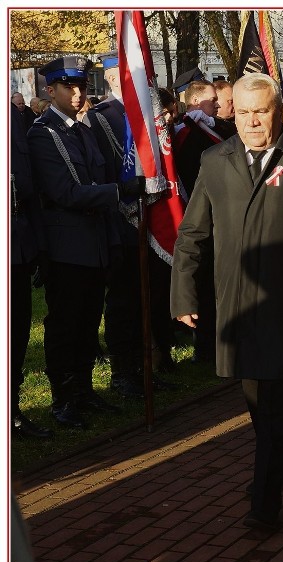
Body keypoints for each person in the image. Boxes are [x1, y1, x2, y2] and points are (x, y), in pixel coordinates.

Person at [171, 72, 283, 530]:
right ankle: (282, 460)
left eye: (261, 111)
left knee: (276, 397)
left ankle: (265, 502)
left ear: (279, 112)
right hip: (235, 303)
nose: (251, 122)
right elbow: (192, 235)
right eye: (243, 112)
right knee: (255, 394)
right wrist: (183, 293)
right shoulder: (214, 159)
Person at [28, 56, 146, 429]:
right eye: (69, 87)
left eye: (81, 86)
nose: (78, 94)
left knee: (88, 322)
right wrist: (118, 191)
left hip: (94, 243)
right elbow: (66, 192)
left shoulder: (83, 131)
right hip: (67, 247)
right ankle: (63, 399)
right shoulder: (43, 134)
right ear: (51, 90)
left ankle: (83, 391)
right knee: (66, 324)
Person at [87, 51, 176, 393]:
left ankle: (143, 365)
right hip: (122, 219)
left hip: (150, 217)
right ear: (112, 79)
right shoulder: (101, 118)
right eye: (123, 77)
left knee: (146, 296)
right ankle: (124, 372)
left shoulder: (148, 111)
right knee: (124, 301)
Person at [173, 79, 238, 364]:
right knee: (203, 284)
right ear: (196, 102)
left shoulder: (209, 130)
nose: (219, 105)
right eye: (213, 100)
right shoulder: (189, 133)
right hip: (201, 215)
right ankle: (205, 346)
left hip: (220, 218)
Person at [11, 98, 53, 439]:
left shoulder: (11, 114)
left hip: (18, 244)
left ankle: (11, 410)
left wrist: (38, 245)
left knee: (16, 333)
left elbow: (29, 187)